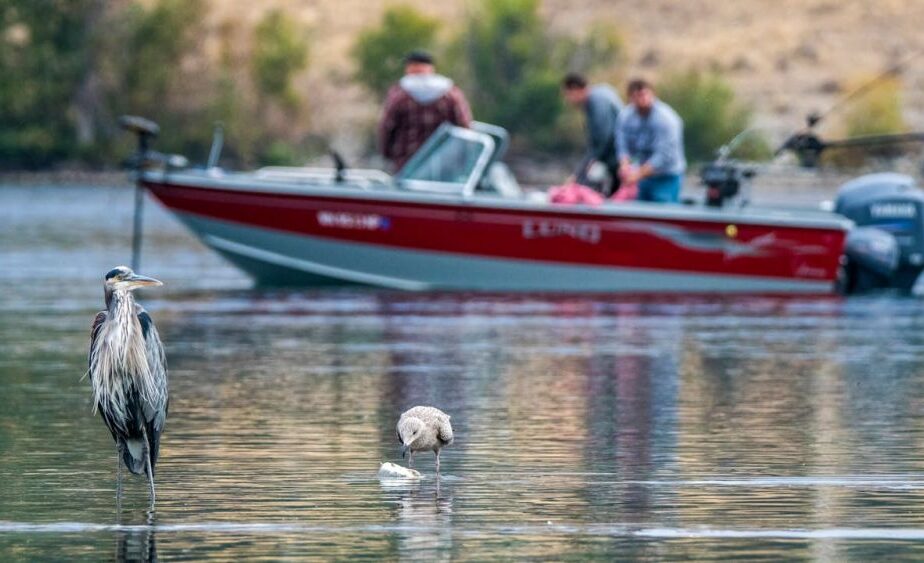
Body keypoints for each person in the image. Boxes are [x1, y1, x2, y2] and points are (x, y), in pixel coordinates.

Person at [378, 50, 473, 171]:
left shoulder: (399, 94)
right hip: (444, 163)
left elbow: (387, 127)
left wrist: (386, 153)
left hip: (407, 163)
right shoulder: (450, 93)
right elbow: (464, 125)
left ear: (409, 68)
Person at [616, 79, 686, 203]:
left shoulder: (666, 119)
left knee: (664, 213)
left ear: (653, 94)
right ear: (630, 98)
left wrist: (637, 175)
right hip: (642, 176)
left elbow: (663, 156)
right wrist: (624, 164)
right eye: (636, 96)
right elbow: (622, 144)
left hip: (666, 176)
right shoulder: (625, 117)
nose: (642, 99)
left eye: (644, 94)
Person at [561, 72, 623, 195]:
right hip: (615, 158)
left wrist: (579, 174)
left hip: (618, 159)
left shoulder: (597, 101)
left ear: (576, 89)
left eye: (567, 95)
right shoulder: (599, 94)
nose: (567, 100)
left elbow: (602, 140)